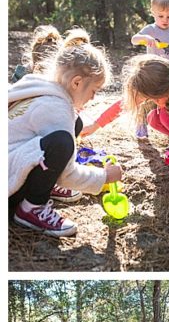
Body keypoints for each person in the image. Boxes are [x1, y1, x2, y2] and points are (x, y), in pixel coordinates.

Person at [8, 27, 123, 237]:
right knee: (62, 142)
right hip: (8, 183)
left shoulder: (38, 85)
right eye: (93, 91)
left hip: (10, 162)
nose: (93, 98)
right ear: (77, 82)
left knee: (75, 123)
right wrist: (104, 176)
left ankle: (44, 184)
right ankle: (31, 208)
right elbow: (68, 174)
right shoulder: (56, 110)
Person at [84, 54, 169, 159]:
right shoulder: (163, 87)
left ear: (164, 91)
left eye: (154, 99)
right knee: (153, 118)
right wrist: (95, 125)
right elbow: (123, 104)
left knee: (165, 115)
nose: (150, 101)